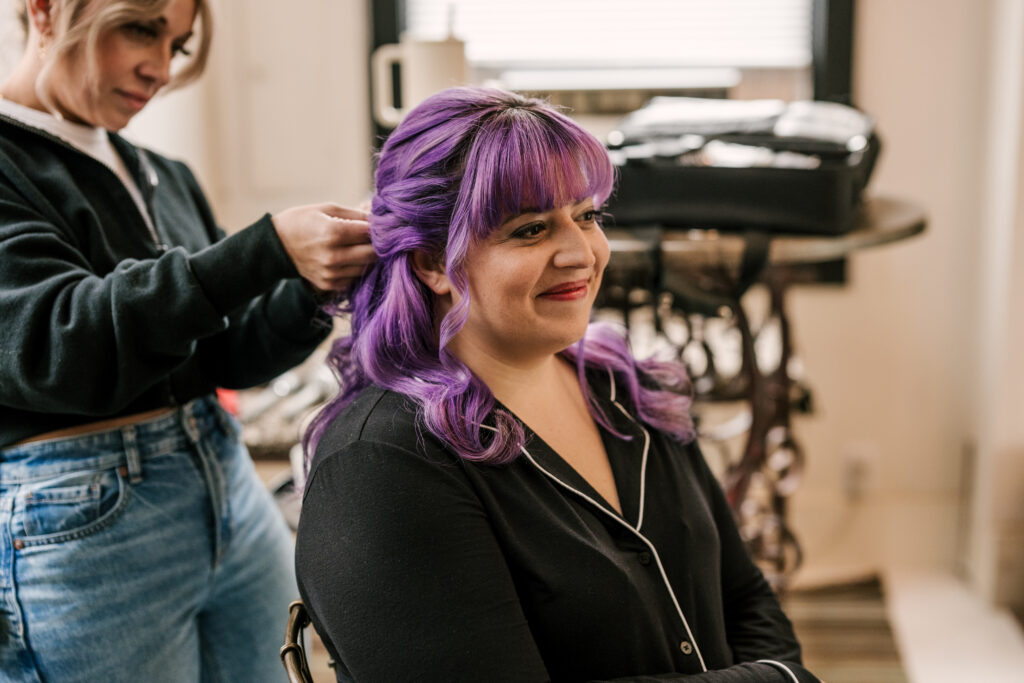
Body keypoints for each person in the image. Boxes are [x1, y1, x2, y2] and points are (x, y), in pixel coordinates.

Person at [295, 87, 821, 682]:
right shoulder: (384, 466)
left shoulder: (626, 389)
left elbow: (745, 597)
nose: (582, 254)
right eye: (531, 230)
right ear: (433, 263)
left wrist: (780, 671)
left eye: (587, 216)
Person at [0, 0, 375, 680]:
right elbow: (61, 348)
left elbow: (227, 355)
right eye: (139, 29)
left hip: (225, 482)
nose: (161, 68)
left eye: (176, 44)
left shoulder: (161, 173)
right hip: (82, 520)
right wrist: (263, 249)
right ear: (47, 9)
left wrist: (313, 282)